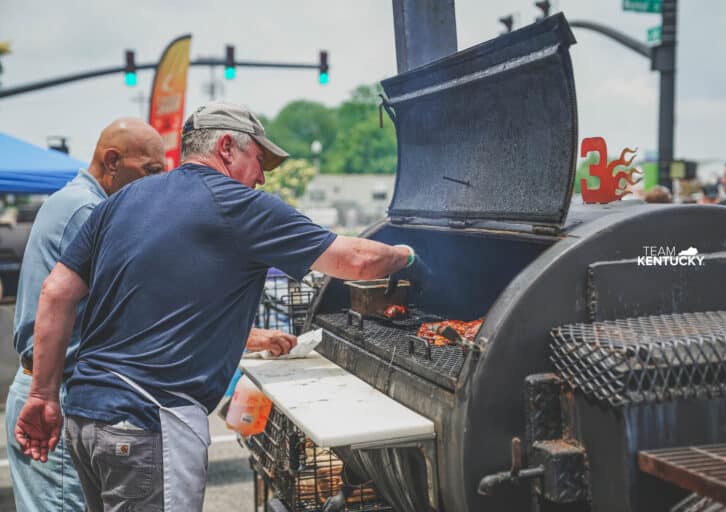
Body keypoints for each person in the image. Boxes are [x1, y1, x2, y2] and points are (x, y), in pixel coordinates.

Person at [15, 102, 420, 512]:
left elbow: (56, 292)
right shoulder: (238, 206)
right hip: (148, 422)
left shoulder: (120, 201)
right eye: (259, 160)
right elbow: (357, 260)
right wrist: (409, 255)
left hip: (86, 417)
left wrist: (43, 395)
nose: (261, 177)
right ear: (226, 147)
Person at [4, 118, 166, 511]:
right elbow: (137, 304)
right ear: (113, 161)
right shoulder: (86, 210)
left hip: (50, 388)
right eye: (150, 171)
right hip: (53, 393)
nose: (156, 184)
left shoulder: (79, 202)